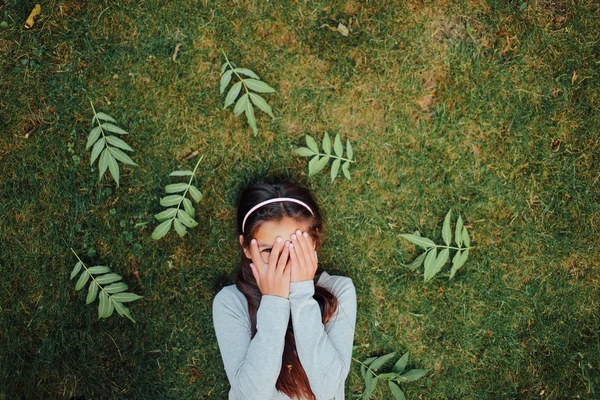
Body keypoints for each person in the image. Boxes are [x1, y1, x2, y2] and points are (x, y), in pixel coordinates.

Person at [213, 182, 357, 400]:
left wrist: (301, 296)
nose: (284, 261)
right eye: (269, 250)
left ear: (314, 241)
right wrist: (274, 302)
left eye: (294, 247)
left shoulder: (338, 290)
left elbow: (329, 389)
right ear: (246, 248)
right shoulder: (231, 302)